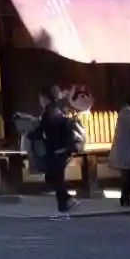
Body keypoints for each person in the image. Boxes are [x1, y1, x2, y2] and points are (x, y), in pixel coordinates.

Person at [35, 88, 85, 218]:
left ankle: (65, 203)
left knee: (56, 179)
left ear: (45, 98)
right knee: (57, 178)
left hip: (56, 149)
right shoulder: (56, 110)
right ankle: (65, 204)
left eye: (41, 98)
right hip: (62, 148)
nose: (40, 101)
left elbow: (41, 130)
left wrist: (30, 133)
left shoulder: (48, 112)